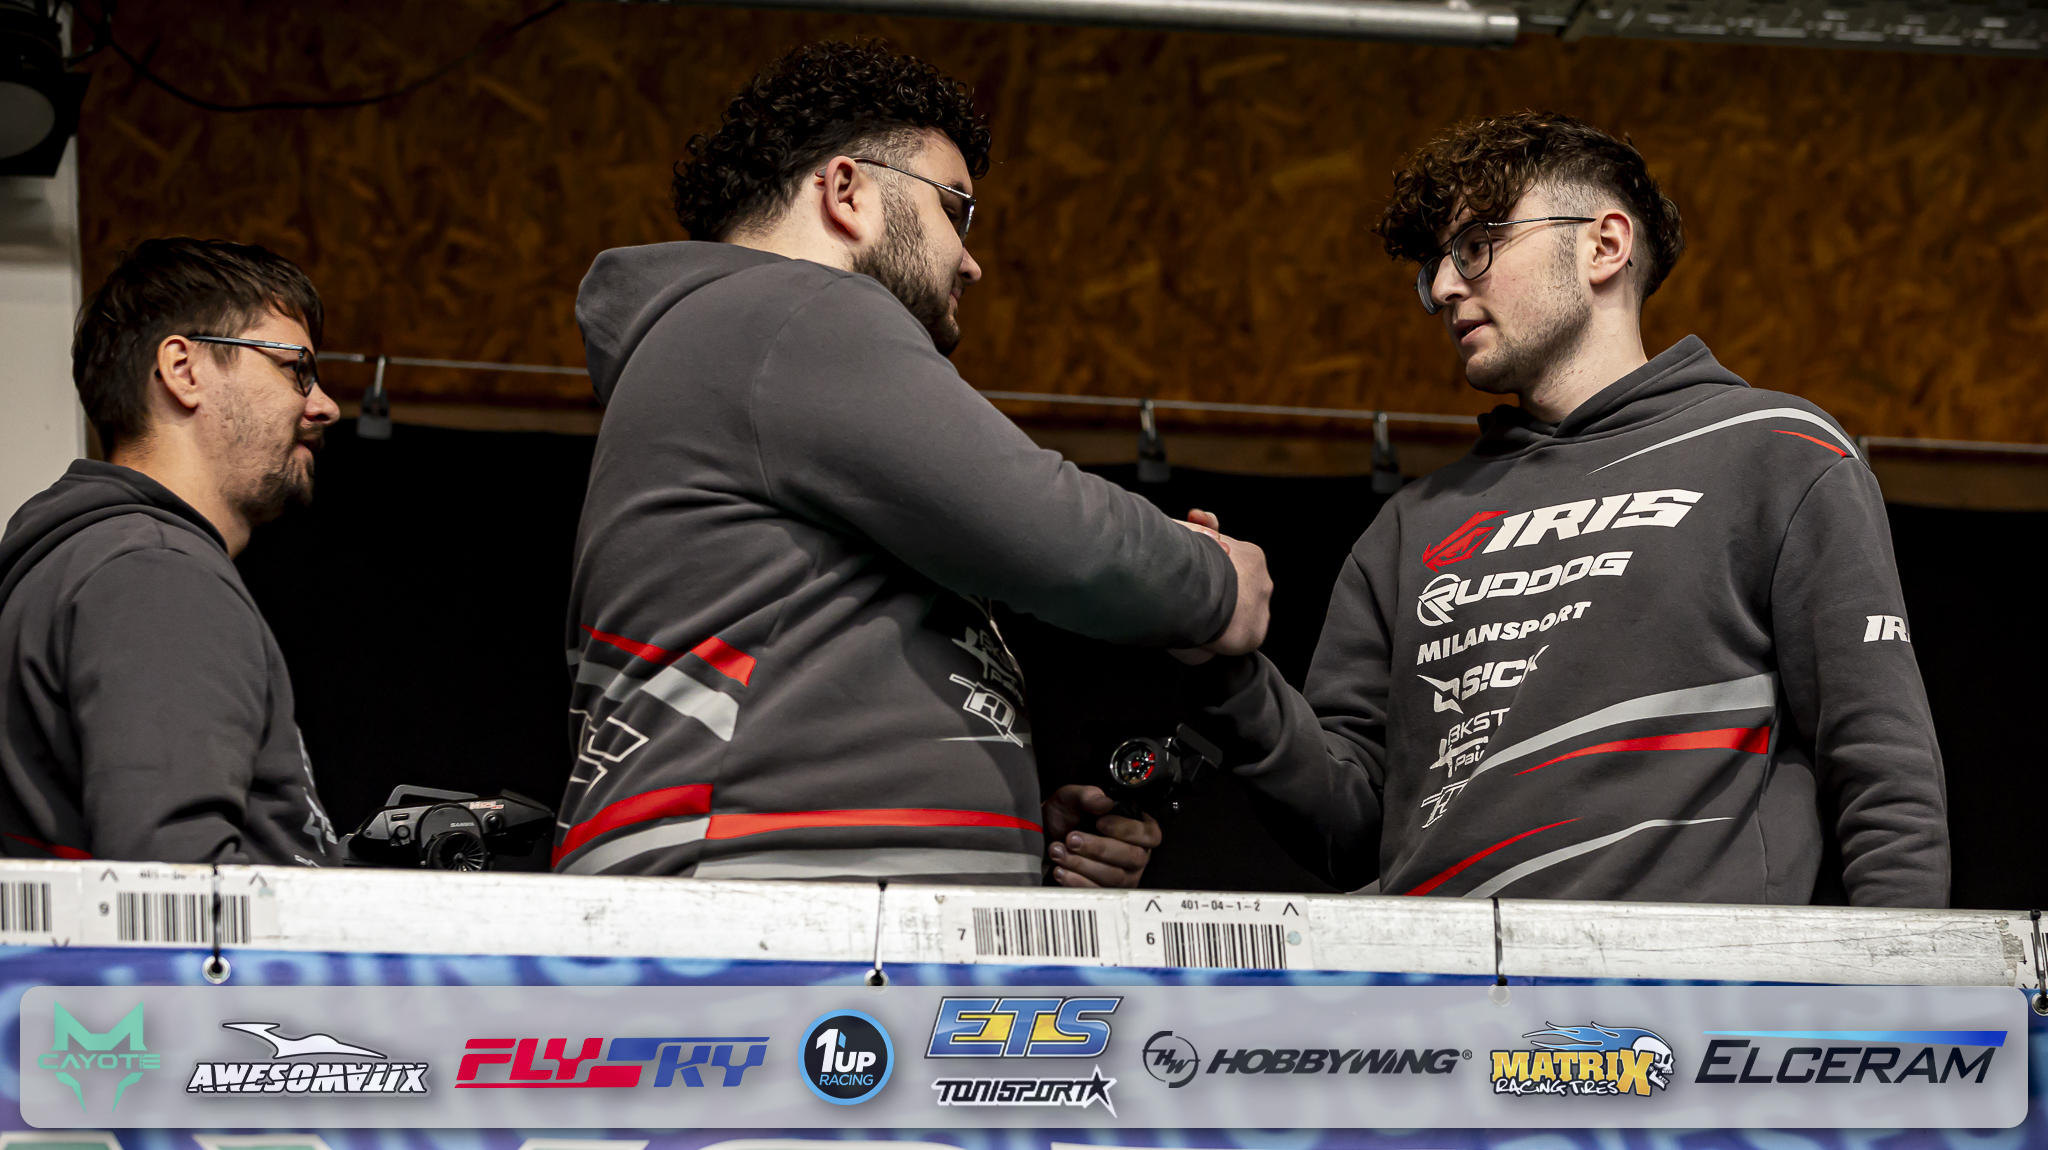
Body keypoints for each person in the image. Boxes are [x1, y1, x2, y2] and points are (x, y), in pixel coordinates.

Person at [553, 42, 1271, 885]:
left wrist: (1017, 835)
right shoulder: (790, 309)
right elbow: (1041, 523)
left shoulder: (739, 355)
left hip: (772, 889)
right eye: (955, 209)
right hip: (758, 901)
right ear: (847, 192)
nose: (972, 259)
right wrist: (1215, 582)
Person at [1185, 113, 1948, 905]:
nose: (1443, 288)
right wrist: (1223, 664)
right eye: (1436, 265)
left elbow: (1882, 768)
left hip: (1681, 981)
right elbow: (1349, 833)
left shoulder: (1774, 453)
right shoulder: (1410, 528)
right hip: (1438, 980)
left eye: (1475, 245)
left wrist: (1911, 978)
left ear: (1603, 246)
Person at [0, 237, 342, 865]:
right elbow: (174, 885)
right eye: (296, 367)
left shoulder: (97, 562)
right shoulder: (155, 574)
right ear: (184, 370)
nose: (325, 405)